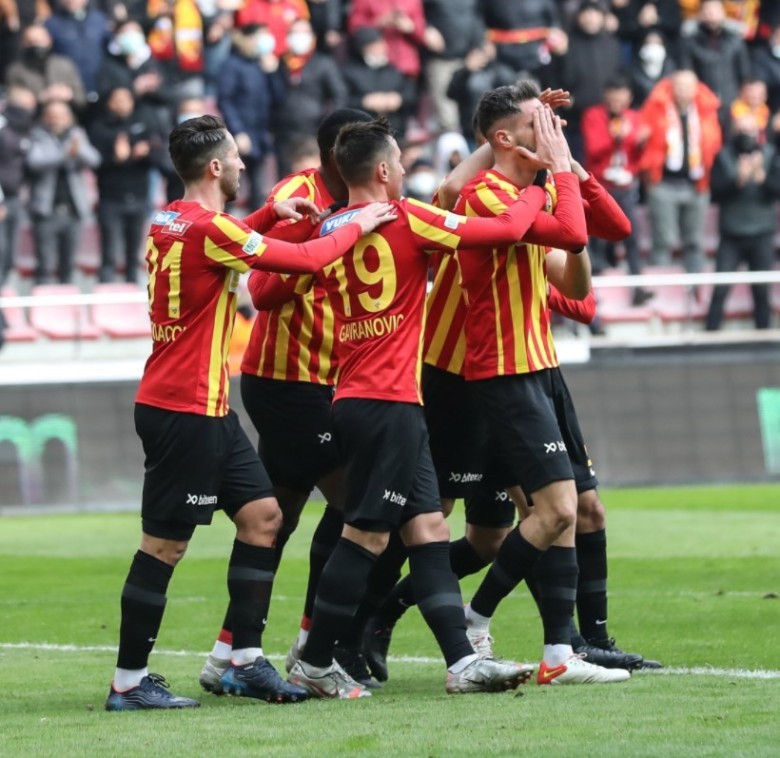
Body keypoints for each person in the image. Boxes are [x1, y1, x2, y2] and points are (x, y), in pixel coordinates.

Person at [283, 112, 592, 699]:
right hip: (385, 401)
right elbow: (503, 230)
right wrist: (540, 184)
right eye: (400, 162)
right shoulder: (407, 217)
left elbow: (271, 286)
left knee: (428, 528)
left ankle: (461, 662)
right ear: (382, 171)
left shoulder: (329, 227)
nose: (405, 171)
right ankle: (315, 659)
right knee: (367, 536)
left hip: (368, 394)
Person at [103, 113, 396, 711]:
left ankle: (243, 660)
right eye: (236, 157)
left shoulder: (169, 219)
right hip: (182, 409)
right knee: (164, 547)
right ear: (215, 167)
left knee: (264, 518)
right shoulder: (212, 230)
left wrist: (269, 215)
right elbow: (305, 262)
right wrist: (357, 222)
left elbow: (223, 239)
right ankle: (129, 682)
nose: (243, 164)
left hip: (206, 406)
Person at [451, 82, 633, 685]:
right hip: (501, 373)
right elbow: (573, 234)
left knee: (567, 511)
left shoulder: (535, 193)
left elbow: (598, 250)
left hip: (539, 368)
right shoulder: (483, 193)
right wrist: (558, 177)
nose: (552, 130)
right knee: (549, 512)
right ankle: (474, 621)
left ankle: (561, 652)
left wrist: (569, 172)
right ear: (505, 139)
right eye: (540, 123)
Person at [197, 108, 380, 695]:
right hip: (287, 381)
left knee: (276, 519)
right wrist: (324, 244)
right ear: (334, 153)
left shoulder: (371, 198)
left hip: (333, 382)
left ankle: (228, 652)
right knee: (362, 507)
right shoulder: (296, 195)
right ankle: (313, 646)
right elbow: (263, 290)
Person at [639, 70, 722, 273]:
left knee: (695, 241)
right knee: (663, 240)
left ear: (696, 89)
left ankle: (696, 287)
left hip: (697, 184)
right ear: (671, 88)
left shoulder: (705, 111)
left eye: (688, 86)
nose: (683, 90)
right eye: (679, 86)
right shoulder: (656, 109)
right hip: (663, 184)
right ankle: (659, 287)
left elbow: (714, 144)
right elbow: (642, 139)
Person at [705, 112, 780, 331]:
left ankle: (763, 337)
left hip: (762, 232)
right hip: (731, 234)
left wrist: (762, 178)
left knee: (761, 290)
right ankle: (710, 335)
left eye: (751, 130)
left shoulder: (770, 154)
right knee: (720, 289)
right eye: (742, 130)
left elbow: (776, 190)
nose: (747, 135)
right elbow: (715, 193)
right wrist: (738, 179)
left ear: (759, 133)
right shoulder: (723, 156)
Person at [581, 74, 650, 302]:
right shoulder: (593, 116)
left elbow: (639, 156)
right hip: (600, 187)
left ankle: (638, 287)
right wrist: (616, 137)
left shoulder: (635, 117)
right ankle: (591, 292)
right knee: (597, 240)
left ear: (629, 98)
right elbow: (593, 150)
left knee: (632, 235)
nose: (617, 105)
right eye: (613, 100)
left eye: (621, 100)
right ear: (606, 97)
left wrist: (640, 143)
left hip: (626, 186)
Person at [89, 86, 163, 283]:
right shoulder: (99, 128)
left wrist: (146, 152)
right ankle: (105, 293)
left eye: (126, 99)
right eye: (117, 99)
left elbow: (159, 160)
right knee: (109, 255)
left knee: (134, 255)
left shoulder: (142, 125)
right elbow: (95, 164)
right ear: (109, 103)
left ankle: (132, 290)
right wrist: (118, 158)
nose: (121, 104)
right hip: (110, 199)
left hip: (139, 197)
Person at [26, 99, 101, 284]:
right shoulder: (37, 136)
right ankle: (43, 299)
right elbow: (34, 162)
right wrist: (65, 154)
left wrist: (78, 150)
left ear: (69, 118)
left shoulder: (77, 135)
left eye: (61, 116)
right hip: (46, 210)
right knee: (45, 265)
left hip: (73, 209)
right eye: (52, 116)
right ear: (44, 118)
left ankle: (67, 299)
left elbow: (95, 160)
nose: (56, 120)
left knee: (68, 264)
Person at [217, 22, 284, 209]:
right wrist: (238, 131)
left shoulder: (262, 64)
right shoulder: (232, 64)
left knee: (258, 188)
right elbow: (225, 100)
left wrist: (273, 73)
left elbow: (278, 98)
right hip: (240, 133)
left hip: (261, 134)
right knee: (230, 184)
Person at [4, 22, 86, 114]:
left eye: (40, 41)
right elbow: (15, 105)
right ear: (24, 43)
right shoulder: (16, 71)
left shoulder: (65, 65)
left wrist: (69, 95)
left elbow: (82, 99)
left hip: (67, 117)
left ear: (49, 40)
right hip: (33, 119)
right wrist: (42, 97)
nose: (37, 45)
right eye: (32, 42)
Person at [0, 85, 36, 285]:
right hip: (2, 198)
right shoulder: (2, 126)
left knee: (10, 255)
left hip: (15, 197)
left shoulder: (27, 127)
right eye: (29, 103)